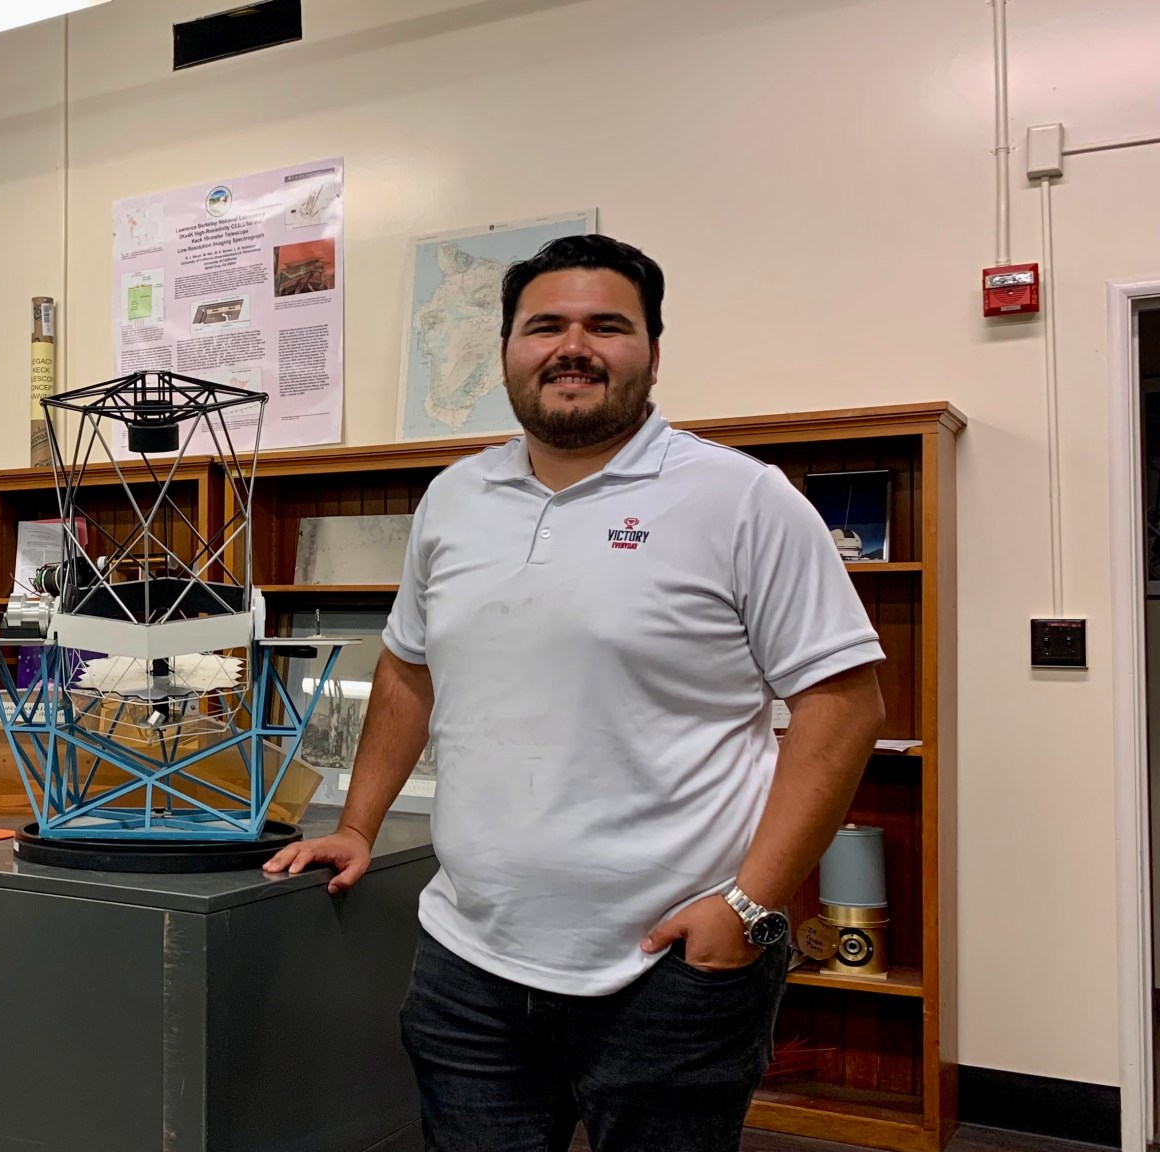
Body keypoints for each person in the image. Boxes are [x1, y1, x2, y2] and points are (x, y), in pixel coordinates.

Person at [262, 235, 887, 1152]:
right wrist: (358, 824)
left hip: (671, 968)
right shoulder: (455, 497)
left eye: (607, 326)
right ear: (508, 349)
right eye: (544, 325)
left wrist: (748, 908)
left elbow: (843, 706)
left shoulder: (743, 500)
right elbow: (406, 666)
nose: (573, 346)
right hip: (468, 964)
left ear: (653, 352)